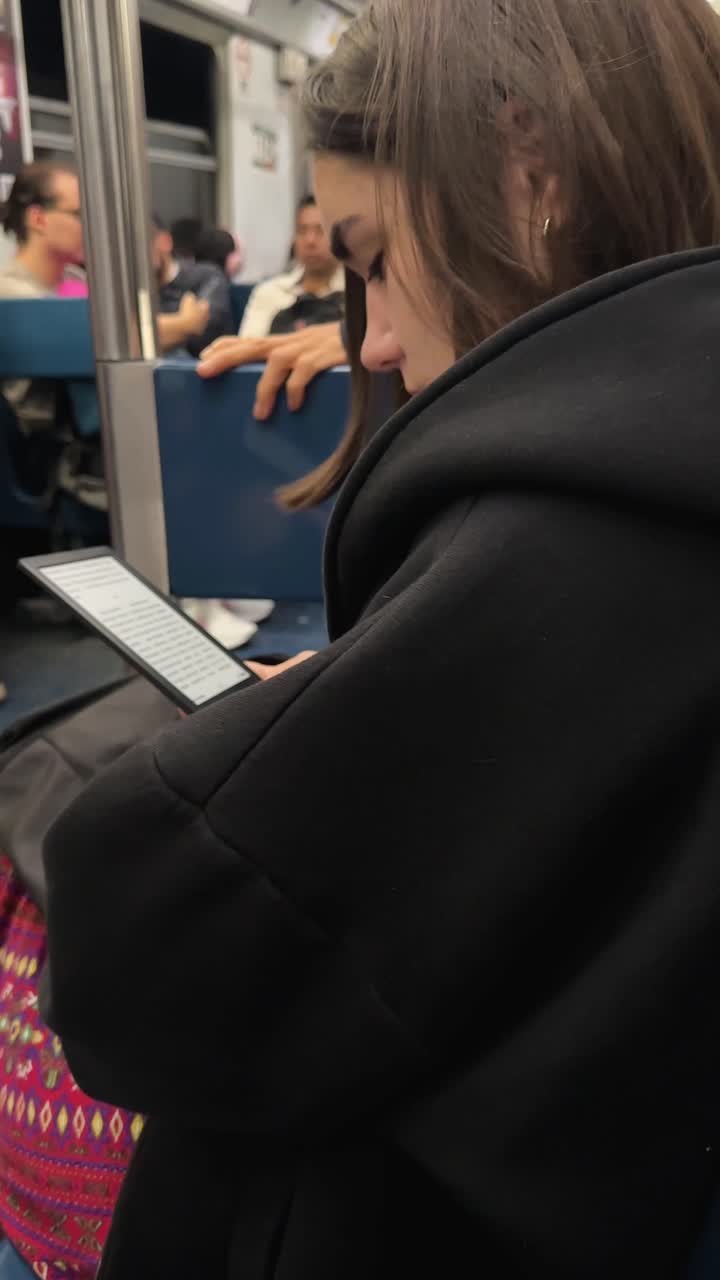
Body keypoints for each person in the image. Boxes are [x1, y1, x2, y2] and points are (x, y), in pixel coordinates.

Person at [41, 1, 720, 1277]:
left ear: (532, 178)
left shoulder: (572, 540)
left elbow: (142, 958)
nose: (384, 340)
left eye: (373, 257)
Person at [238, 195, 345, 339]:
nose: (310, 241)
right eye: (302, 231)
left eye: (321, 230)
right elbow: (247, 347)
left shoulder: (357, 293)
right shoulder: (269, 291)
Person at [151, 215, 233, 357]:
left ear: (165, 242)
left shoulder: (206, 276)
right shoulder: (132, 292)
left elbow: (201, 324)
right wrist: (185, 323)